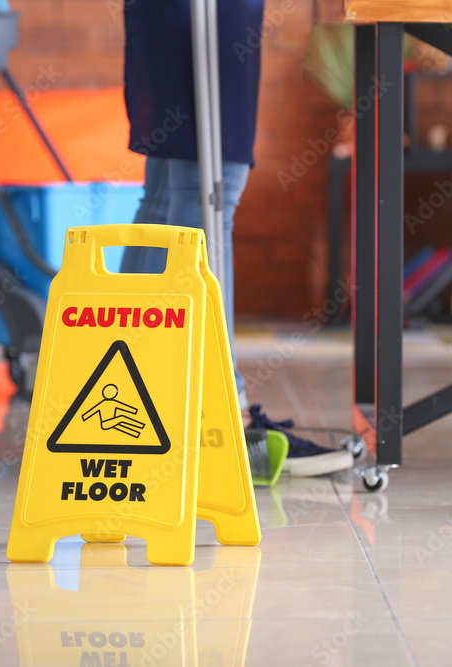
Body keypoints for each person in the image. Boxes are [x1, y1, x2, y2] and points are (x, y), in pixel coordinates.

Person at [121, 0, 352, 476]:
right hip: (203, 14)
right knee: (205, 191)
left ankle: (133, 393)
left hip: (186, 16)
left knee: (169, 192)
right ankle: (221, 417)